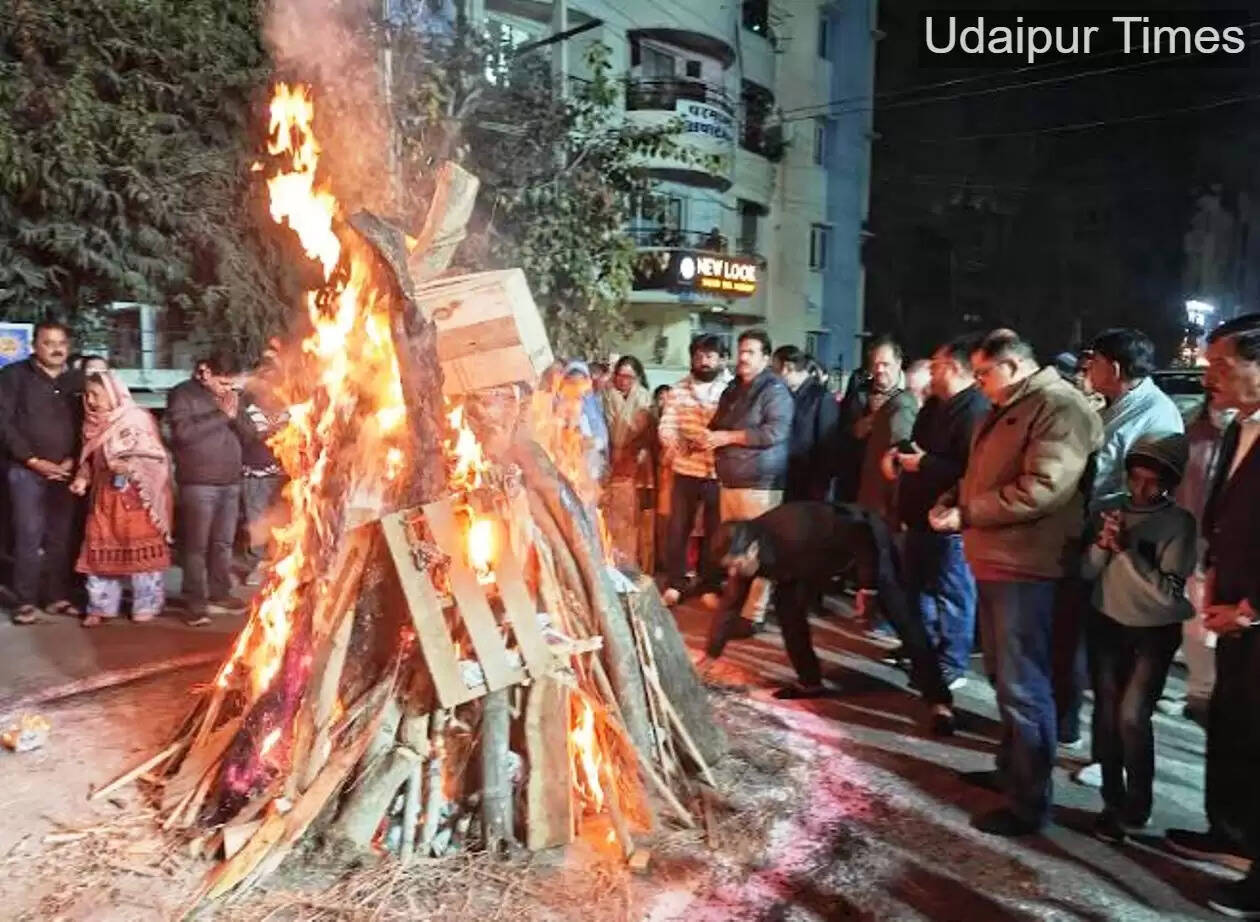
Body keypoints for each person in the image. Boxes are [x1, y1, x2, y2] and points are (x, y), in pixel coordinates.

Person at [929, 330, 1102, 837]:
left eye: (983, 373)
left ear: (1012, 365)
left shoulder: (1058, 406)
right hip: (998, 558)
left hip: (1029, 565)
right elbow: (982, 473)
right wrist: (952, 496)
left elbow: (1044, 487)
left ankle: (1029, 803)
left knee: (1025, 686)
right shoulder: (1012, 405)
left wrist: (968, 512)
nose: (978, 384)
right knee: (1007, 679)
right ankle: (1011, 771)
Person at [705, 501, 955, 732]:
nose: (733, 571)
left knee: (902, 615)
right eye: (729, 567)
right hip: (805, 562)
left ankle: (939, 700)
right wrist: (710, 655)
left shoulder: (794, 530)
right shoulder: (748, 552)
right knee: (789, 613)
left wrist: (867, 587)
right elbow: (730, 605)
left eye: (735, 564)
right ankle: (810, 682)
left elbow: (862, 535)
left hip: (863, 542)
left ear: (752, 549)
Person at [1165, 314, 1260, 917]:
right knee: (1232, 728)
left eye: (1222, 366)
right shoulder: (1238, 430)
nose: (1209, 377)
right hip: (1230, 611)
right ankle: (1230, 831)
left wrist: (1255, 609)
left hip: (1254, 615)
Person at [1063, 329, 1184, 762]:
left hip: (1128, 559)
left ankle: (1113, 763)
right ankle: (1093, 743)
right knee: (1097, 659)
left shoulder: (1156, 416)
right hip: (1100, 547)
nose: (1086, 369)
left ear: (1114, 368)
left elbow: (1149, 494)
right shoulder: (1119, 406)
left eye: (1092, 362)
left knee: (1122, 670)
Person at [1080, 434, 1196, 844]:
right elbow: (1089, 573)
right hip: (1107, 620)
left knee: (1132, 716)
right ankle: (1113, 802)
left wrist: (1129, 552)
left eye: (1153, 482)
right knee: (1108, 714)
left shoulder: (1178, 523)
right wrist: (1101, 544)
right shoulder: (1111, 509)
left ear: (1169, 483)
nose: (1141, 489)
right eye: (1136, 478)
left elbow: (1167, 592)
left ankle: (1138, 802)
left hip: (1153, 631)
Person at [882, 336, 989, 689]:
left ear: (955, 368)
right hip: (918, 513)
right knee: (918, 590)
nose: (931, 371)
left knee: (953, 593)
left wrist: (924, 463)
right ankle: (923, 652)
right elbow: (915, 442)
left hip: (949, 519)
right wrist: (897, 453)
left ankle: (952, 662)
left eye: (937, 365)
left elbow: (970, 469)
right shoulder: (934, 405)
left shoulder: (975, 409)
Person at [702, 329, 793, 631]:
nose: (743, 357)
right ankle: (736, 605)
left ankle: (753, 615)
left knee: (758, 551)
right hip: (731, 480)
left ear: (766, 358)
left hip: (760, 483)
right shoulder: (733, 389)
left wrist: (728, 436)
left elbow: (774, 433)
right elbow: (717, 424)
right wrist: (707, 436)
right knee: (736, 551)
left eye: (751, 352)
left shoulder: (774, 390)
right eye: (741, 351)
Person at [69, 372, 173, 625]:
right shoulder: (92, 423)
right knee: (100, 553)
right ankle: (101, 606)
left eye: (96, 394)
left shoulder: (137, 418)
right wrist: (82, 478)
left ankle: (145, 604)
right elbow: (90, 459)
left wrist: (131, 467)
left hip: (137, 498)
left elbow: (157, 458)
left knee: (142, 555)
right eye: (88, 394)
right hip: (104, 498)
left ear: (113, 394)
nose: (91, 401)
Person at [0, 320, 83, 624]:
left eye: (61, 342)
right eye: (48, 342)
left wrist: (73, 460)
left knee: (60, 537)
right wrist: (31, 459)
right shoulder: (13, 377)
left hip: (66, 471)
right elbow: (4, 424)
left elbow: (89, 424)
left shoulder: (77, 381)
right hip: (26, 471)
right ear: (34, 346)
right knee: (28, 535)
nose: (56, 348)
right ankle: (25, 601)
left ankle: (56, 596)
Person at [167, 353, 253, 625]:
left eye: (231, 384)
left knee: (223, 543)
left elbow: (250, 435)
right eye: (222, 383)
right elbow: (182, 434)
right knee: (196, 546)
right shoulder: (182, 395)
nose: (227, 389)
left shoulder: (231, 397)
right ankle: (195, 601)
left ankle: (220, 592)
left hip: (230, 482)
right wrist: (220, 414)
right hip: (199, 483)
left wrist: (234, 413)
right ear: (204, 371)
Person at [1175, 394, 1235, 723]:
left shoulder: (1246, 434)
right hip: (1191, 542)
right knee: (1195, 625)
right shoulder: (1191, 430)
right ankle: (1199, 693)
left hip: (1232, 552)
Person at [658, 336, 729, 606]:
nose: (704, 361)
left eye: (710, 356)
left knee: (715, 532)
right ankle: (675, 583)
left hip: (718, 472)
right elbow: (666, 426)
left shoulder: (731, 390)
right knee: (678, 528)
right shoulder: (678, 390)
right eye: (699, 355)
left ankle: (709, 584)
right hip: (686, 468)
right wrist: (676, 443)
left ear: (722, 359)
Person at [855, 335, 918, 529]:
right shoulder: (860, 389)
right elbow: (848, 431)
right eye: (875, 364)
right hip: (863, 480)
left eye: (885, 364)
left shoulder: (913, 391)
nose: (879, 370)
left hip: (892, 491)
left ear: (899, 363)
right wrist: (872, 420)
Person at [601, 355, 655, 570]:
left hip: (638, 464)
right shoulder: (605, 396)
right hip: (611, 462)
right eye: (620, 376)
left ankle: (637, 564)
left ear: (638, 377)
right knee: (612, 517)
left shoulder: (645, 399)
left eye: (629, 377)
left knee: (636, 519)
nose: (624, 381)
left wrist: (639, 450)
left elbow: (650, 432)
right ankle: (614, 562)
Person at [239, 354, 289, 587]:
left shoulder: (290, 409)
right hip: (254, 475)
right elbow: (242, 437)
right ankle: (259, 564)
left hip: (283, 476)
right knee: (257, 521)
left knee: (282, 520)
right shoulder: (245, 411)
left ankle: (281, 562)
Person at [772, 345, 839, 503]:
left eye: (775, 370)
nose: (774, 376)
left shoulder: (821, 397)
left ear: (787, 368)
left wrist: (820, 485)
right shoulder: (783, 395)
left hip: (810, 485)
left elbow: (828, 446)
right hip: (786, 480)